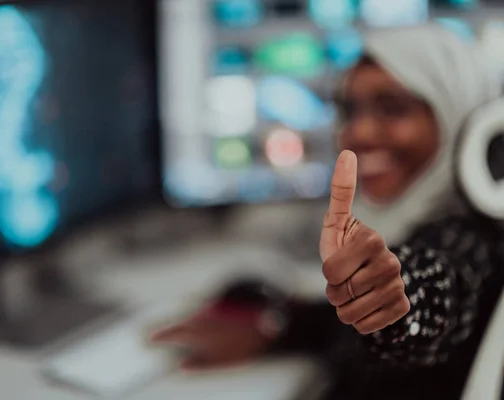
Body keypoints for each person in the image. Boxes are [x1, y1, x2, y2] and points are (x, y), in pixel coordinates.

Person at [151, 25, 504, 399]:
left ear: (459, 116)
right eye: (350, 110)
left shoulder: (471, 243)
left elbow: (436, 290)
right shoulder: (421, 222)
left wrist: (394, 298)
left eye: (394, 108)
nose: (359, 132)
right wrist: (281, 330)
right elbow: (347, 330)